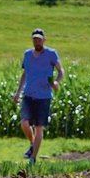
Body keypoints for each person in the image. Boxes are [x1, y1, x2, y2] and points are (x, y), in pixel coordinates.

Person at [14, 28, 63, 166]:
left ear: (44, 40)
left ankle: (33, 158)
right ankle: (32, 143)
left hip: (44, 96)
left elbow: (61, 71)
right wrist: (18, 92)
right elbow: (25, 74)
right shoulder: (27, 54)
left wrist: (56, 83)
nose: (37, 41)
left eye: (39, 39)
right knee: (24, 123)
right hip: (28, 94)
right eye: (35, 39)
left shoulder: (51, 54)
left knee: (39, 127)